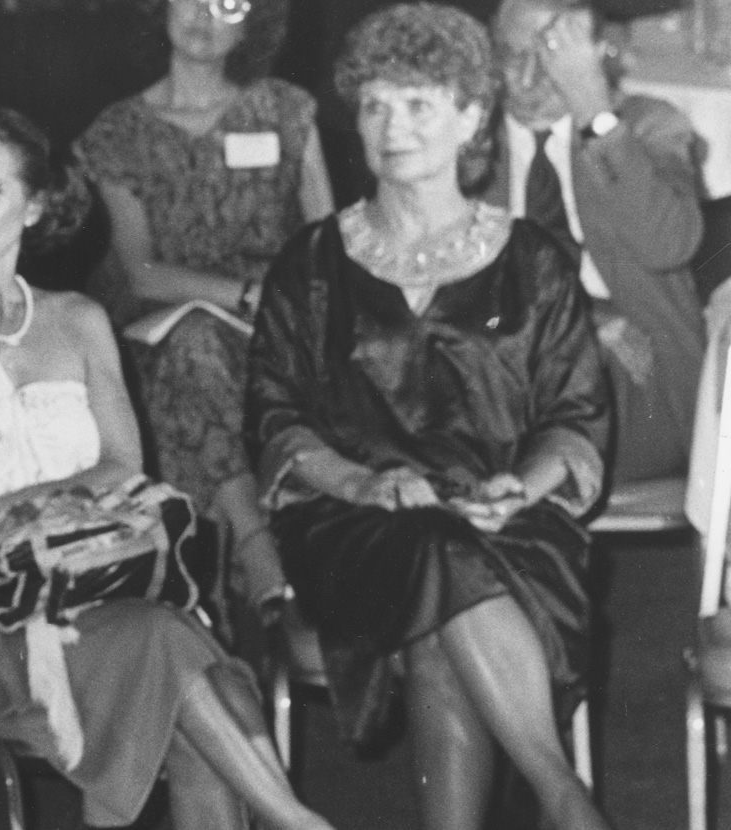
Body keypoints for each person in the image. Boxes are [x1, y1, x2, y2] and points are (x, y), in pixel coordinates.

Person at [0, 106, 332, 830]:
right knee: (178, 655)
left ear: (36, 205)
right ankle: (298, 822)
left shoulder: (78, 319)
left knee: (191, 684)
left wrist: (32, 502)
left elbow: (122, 465)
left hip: (99, 578)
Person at [245, 6, 611, 828]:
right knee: (428, 552)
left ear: (472, 115)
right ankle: (568, 800)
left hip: (506, 523)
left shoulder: (532, 260)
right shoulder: (309, 263)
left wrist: (526, 482)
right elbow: (273, 417)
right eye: (374, 106)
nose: (391, 126)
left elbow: (574, 417)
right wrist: (365, 483)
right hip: (351, 522)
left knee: (439, 597)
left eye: (417, 104)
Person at [70, 0, 333, 616]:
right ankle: (252, 542)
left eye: (230, 3)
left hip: (276, 331)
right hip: (162, 335)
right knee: (193, 340)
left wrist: (283, 305)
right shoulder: (118, 132)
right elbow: (141, 271)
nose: (205, 16)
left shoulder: (287, 111)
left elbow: (326, 245)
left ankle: (228, 581)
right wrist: (243, 295)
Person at [491, 0, 705, 484]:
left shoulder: (645, 126)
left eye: (549, 57)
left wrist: (592, 108)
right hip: (500, 361)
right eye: (510, 55)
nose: (526, 80)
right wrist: (581, 318)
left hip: (632, 383)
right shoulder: (469, 141)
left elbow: (669, 243)